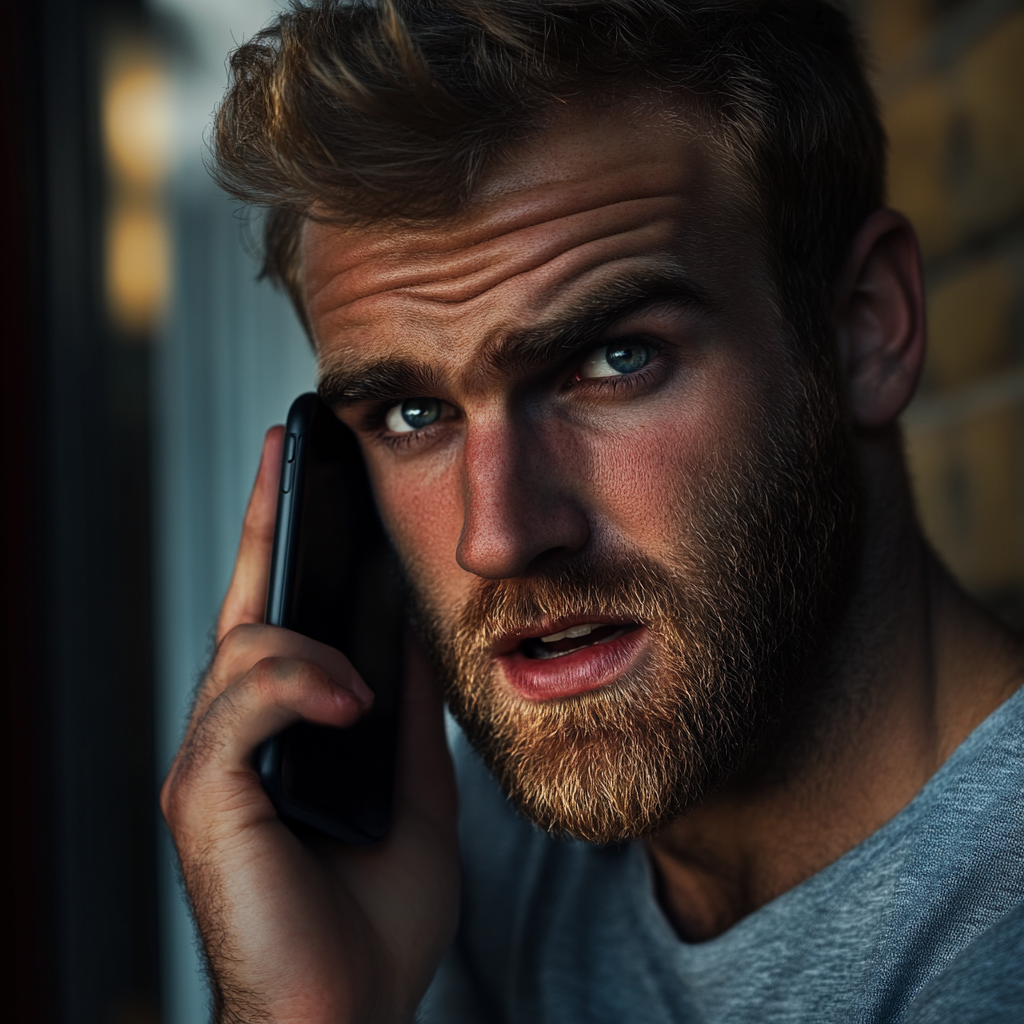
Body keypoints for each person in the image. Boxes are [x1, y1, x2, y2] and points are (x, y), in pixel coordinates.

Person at [160, 1, 1024, 1021]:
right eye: (410, 412)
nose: (500, 536)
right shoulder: (472, 854)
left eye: (614, 359)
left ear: (864, 332)